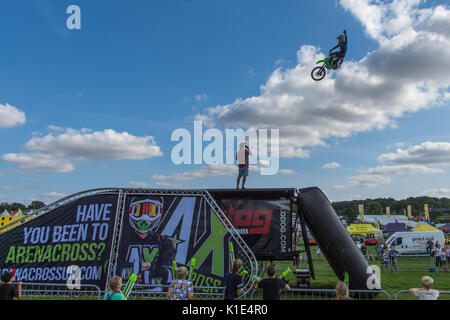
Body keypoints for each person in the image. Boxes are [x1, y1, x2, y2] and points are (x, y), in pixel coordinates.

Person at [119, 197, 176, 291]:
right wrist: (144, 266)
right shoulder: (122, 241)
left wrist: (146, 271)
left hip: (156, 292)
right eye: (138, 211)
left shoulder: (164, 242)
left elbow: (167, 270)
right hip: (127, 290)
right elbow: (111, 267)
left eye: (151, 211)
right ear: (130, 211)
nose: (144, 217)